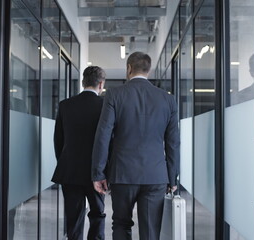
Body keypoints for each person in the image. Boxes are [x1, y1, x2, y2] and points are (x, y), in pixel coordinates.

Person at [92, 52, 180, 240]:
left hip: (123, 174)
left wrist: (98, 173)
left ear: (129, 68)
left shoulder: (115, 94)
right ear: (149, 70)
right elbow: (173, 143)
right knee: (150, 231)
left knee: (121, 224)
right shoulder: (167, 99)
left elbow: (103, 135)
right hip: (155, 175)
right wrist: (172, 178)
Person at [51, 66, 107, 240]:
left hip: (70, 170)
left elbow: (58, 140)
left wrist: (65, 161)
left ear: (83, 82)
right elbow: (110, 140)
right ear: (101, 84)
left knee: (73, 217)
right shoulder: (105, 106)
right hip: (96, 172)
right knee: (97, 213)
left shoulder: (65, 105)